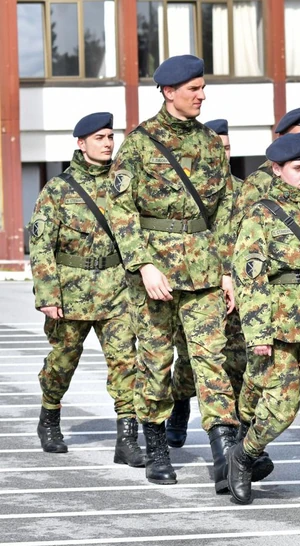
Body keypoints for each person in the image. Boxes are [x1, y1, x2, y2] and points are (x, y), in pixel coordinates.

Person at [107, 55, 240, 487]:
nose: (201, 96)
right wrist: (143, 264)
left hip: (203, 269)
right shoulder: (139, 144)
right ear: (168, 92)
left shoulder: (208, 144)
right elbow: (121, 210)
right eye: (192, 90)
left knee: (211, 361)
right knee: (155, 363)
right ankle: (157, 447)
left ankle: (225, 457)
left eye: (203, 89)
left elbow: (224, 209)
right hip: (156, 272)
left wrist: (226, 270)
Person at [227, 133, 300, 508]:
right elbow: (250, 276)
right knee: (281, 406)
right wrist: (258, 331)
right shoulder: (260, 214)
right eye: (298, 169)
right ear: (277, 170)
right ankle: (244, 455)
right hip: (278, 324)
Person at [27, 112, 144, 468]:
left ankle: (127, 440)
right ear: (81, 143)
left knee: (126, 364)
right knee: (62, 361)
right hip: (71, 291)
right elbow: (41, 244)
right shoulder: (59, 190)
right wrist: (48, 296)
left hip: (117, 290)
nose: (108, 143)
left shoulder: (124, 184)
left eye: (110, 136)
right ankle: (49, 418)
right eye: (100, 138)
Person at [167, 118, 246, 449]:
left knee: (239, 362)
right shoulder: (186, 195)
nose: (223, 155)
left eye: (227, 149)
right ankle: (181, 402)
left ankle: (240, 442)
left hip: (238, 291)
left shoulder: (246, 192)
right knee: (192, 360)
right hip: (199, 290)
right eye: (218, 149)